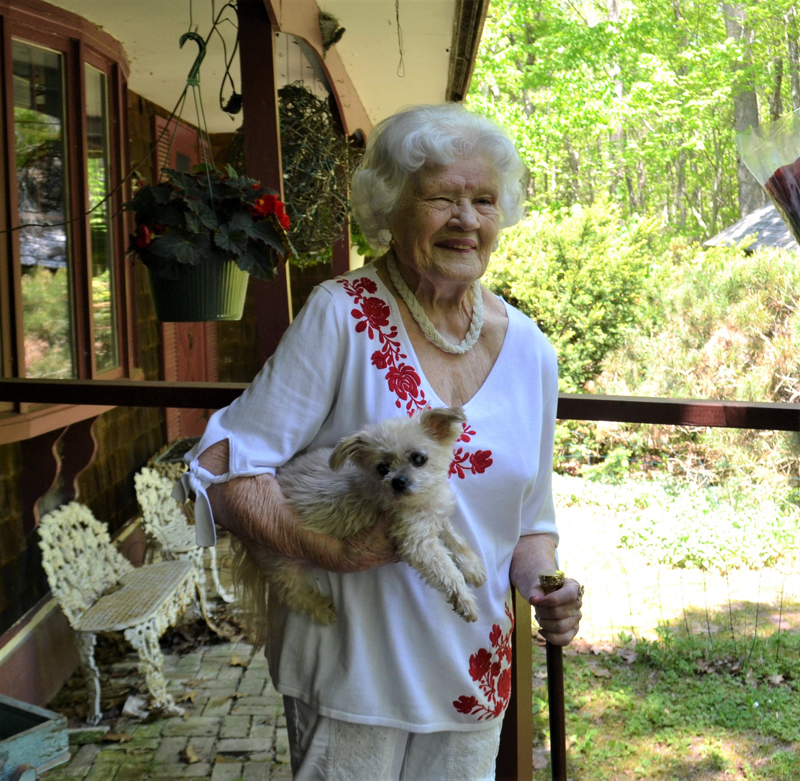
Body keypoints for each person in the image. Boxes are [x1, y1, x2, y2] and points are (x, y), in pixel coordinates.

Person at [183, 103, 583, 781]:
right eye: (441, 197)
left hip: (471, 678)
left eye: (484, 200)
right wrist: (329, 551)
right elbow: (221, 470)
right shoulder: (341, 316)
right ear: (392, 207)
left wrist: (547, 585)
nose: (466, 219)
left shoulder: (532, 351)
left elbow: (529, 523)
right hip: (352, 678)